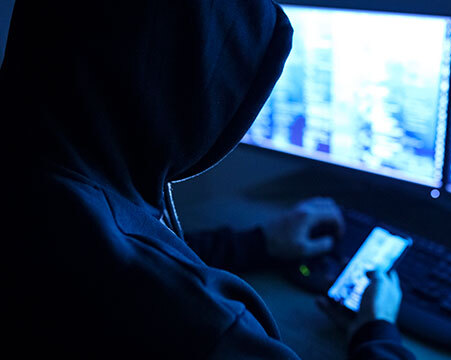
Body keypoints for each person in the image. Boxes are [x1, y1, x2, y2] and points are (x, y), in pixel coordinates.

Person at [1, 0, 415, 359]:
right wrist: (376, 330)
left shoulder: (36, 184)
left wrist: (260, 243)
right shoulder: (200, 325)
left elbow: (107, 251)